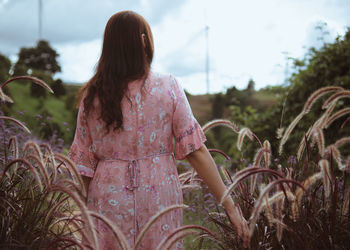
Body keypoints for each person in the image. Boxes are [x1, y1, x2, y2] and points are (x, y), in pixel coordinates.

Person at [68, 10, 249, 249]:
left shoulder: (91, 96)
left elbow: (82, 167)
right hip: (159, 199)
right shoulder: (168, 87)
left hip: (106, 201)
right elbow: (196, 152)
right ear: (143, 41)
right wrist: (231, 208)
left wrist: (87, 214)